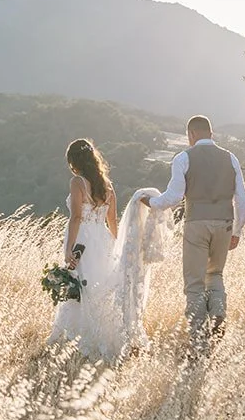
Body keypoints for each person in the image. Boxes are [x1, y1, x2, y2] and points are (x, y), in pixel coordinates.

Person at [48, 138, 171, 360]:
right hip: (102, 240)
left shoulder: (77, 183)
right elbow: (112, 222)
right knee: (99, 287)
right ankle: (105, 335)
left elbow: (76, 217)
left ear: (75, 161)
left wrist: (69, 249)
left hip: (82, 239)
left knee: (80, 286)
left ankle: (78, 338)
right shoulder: (108, 186)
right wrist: (119, 247)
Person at [139, 115, 245, 341]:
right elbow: (242, 200)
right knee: (216, 274)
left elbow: (174, 196)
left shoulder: (183, 158)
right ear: (212, 132)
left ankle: (198, 334)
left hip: (196, 224)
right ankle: (218, 315)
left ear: (191, 134)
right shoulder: (230, 158)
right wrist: (237, 231)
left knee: (195, 282)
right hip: (224, 224)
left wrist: (150, 202)